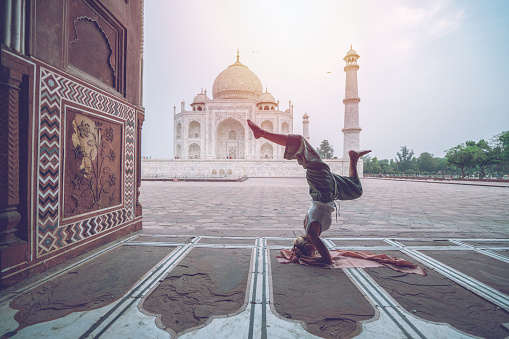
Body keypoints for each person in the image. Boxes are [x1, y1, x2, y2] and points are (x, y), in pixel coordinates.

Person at [247, 119, 371, 266]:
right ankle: (353, 158)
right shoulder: (313, 233)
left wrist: (304, 257)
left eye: (312, 250)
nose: (316, 250)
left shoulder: (311, 233)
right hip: (327, 191)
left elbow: (326, 259)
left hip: (321, 188)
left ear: (306, 245)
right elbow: (324, 258)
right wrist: (308, 258)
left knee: (300, 142)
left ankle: (261, 133)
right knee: (356, 190)